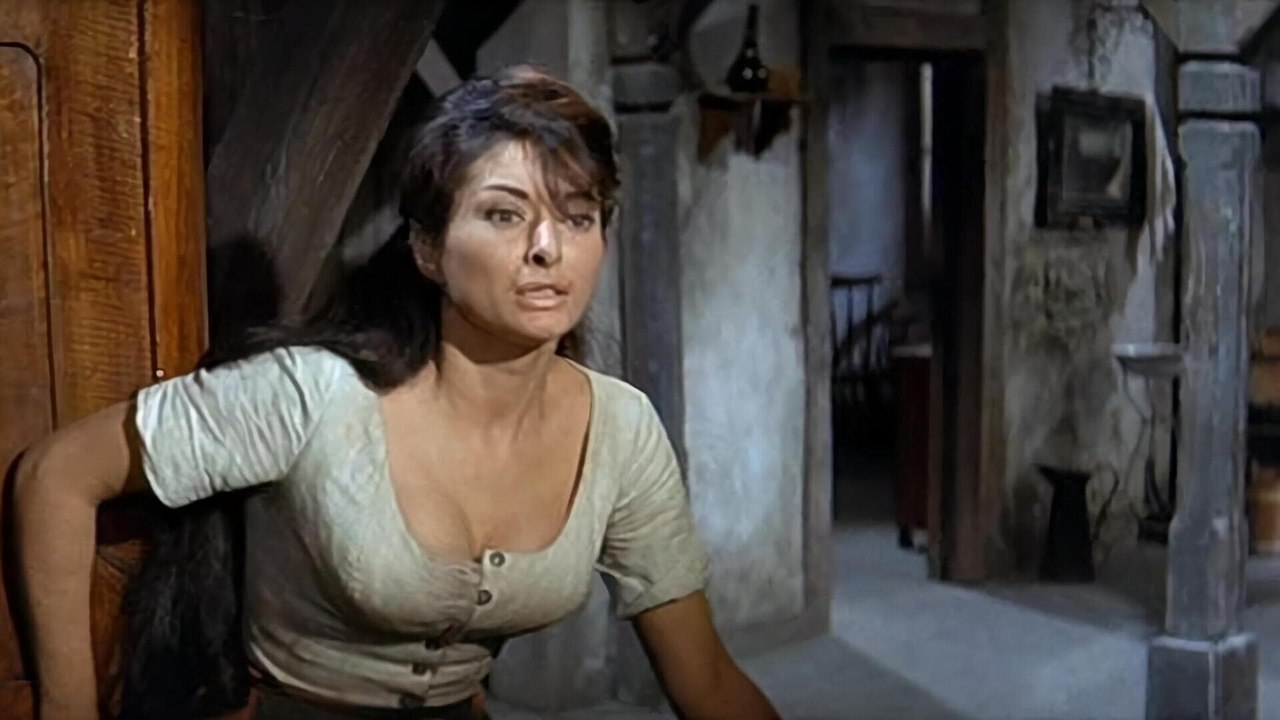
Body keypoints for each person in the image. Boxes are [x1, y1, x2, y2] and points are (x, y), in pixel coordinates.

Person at [14, 66, 781, 720]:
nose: (548, 248)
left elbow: (707, 679)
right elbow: (55, 477)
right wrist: (67, 708)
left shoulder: (620, 426)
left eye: (577, 217)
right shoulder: (314, 394)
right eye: (504, 214)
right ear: (429, 250)